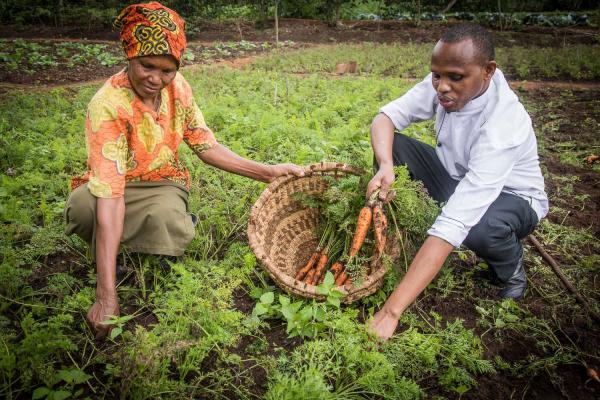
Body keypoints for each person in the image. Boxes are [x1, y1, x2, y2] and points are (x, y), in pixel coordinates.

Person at [64, 2, 303, 339]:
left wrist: (268, 172)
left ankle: (142, 241)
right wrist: (106, 296)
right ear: (128, 55)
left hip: (163, 182)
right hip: (115, 185)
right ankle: (111, 259)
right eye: (147, 66)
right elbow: (112, 195)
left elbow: (206, 146)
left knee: (167, 219)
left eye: (167, 70)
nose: (155, 79)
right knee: (82, 208)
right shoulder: (108, 105)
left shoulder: (179, 89)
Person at [367, 24, 548, 340]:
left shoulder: (503, 123)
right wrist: (385, 165)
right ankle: (399, 235)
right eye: (437, 75)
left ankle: (511, 270)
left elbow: (455, 220)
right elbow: (385, 118)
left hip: (514, 198)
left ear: (487, 71)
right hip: (457, 176)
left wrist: (390, 311)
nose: (442, 87)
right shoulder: (443, 83)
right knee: (393, 147)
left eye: (455, 77)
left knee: (480, 227)